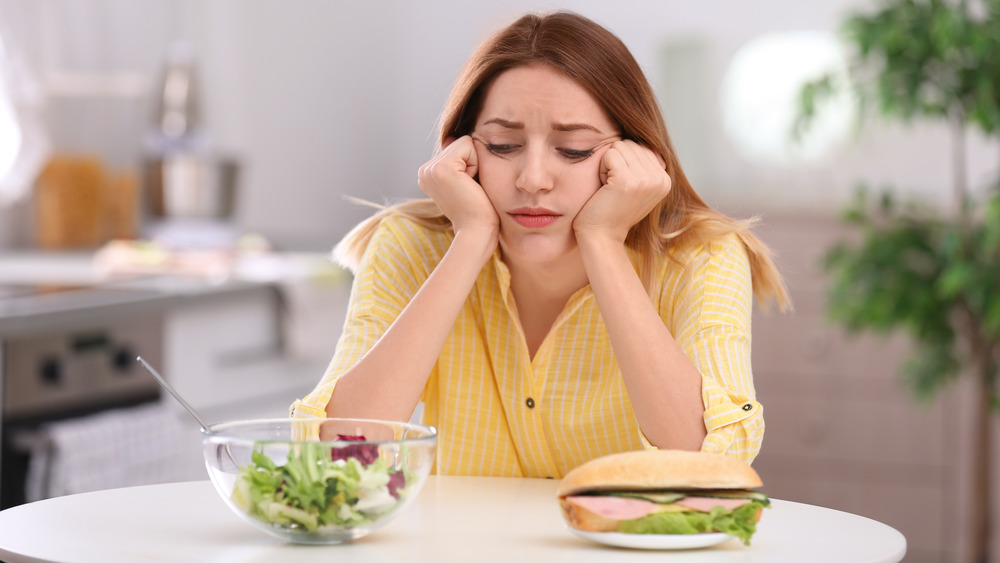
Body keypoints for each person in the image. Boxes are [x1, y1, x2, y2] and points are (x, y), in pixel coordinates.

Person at [290, 11, 789, 478]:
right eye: (503, 146)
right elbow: (336, 453)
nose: (532, 179)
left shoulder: (702, 256)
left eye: (572, 150)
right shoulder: (411, 244)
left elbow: (710, 460)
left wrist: (603, 240)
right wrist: (471, 238)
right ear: (461, 152)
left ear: (638, 159)